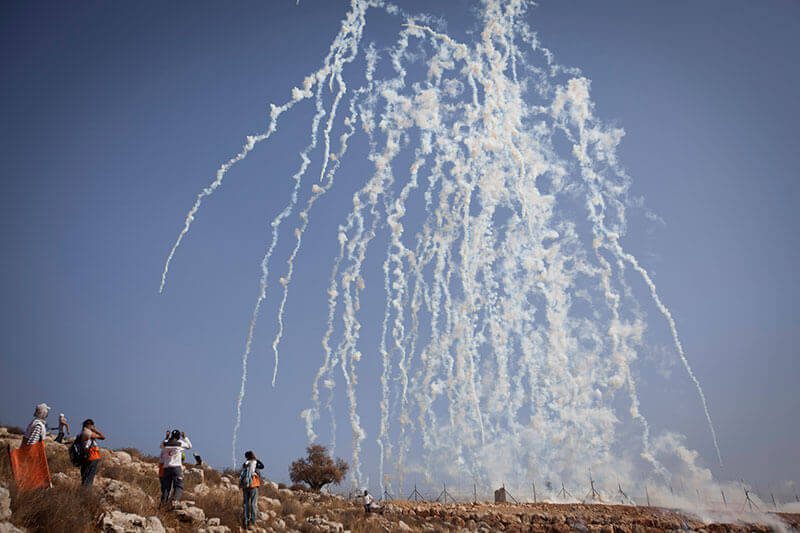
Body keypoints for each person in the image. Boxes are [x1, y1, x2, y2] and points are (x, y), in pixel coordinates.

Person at [159, 429, 192, 506]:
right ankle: (174, 501)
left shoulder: (166, 443)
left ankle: (163, 505)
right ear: (178, 437)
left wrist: (166, 437)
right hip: (176, 467)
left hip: (166, 468)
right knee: (178, 486)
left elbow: (161, 446)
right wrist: (185, 437)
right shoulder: (180, 443)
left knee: (166, 488)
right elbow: (189, 446)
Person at [239, 450, 264, 528]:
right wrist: (257, 460)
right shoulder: (255, 463)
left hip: (245, 485)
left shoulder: (246, 463)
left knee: (246, 503)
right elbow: (262, 466)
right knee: (253, 504)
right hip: (254, 484)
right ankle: (252, 521)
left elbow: (242, 471)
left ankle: (245, 521)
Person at [79, 419, 105, 486]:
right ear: (89, 425)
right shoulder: (89, 433)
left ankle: (83, 491)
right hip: (92, 456)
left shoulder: (83, 432)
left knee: (85, 476)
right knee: (89, 476)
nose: (93, 426)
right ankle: (86, 492)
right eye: (92, 425)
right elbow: (103, 437)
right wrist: (96, 430)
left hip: (85, 456)